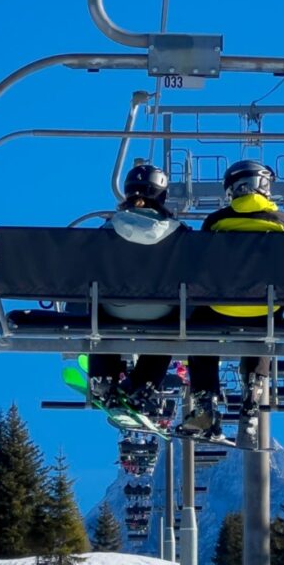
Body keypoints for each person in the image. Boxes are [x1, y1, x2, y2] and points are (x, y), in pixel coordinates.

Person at [177, 159, 284, 447]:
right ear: (265, 187)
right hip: (266, 310)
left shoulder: (216, 222)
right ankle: (253, 392)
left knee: (198, 331)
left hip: (221, 309)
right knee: (265, 331)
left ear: (232, 190)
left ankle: (205, 404)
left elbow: (199, 265)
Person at [88, 163, 188, 421]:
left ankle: (104, 379)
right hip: (162, 311)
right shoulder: (180, 234)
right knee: (172, 327)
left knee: (99, 317)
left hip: (114, 308)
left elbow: (90, 270)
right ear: (161, 196)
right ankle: (144, 383)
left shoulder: (107, 231)